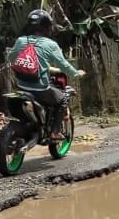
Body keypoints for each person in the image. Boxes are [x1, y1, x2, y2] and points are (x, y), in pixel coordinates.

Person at [8, 9, 84, 141]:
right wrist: (76, 74)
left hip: (21, 87)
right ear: (47, 27)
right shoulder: (50, 44)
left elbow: (11, 58)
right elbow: (64, 65)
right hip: (41, 89)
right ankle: (55, 132)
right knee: (62, 99)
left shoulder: (21, 41)